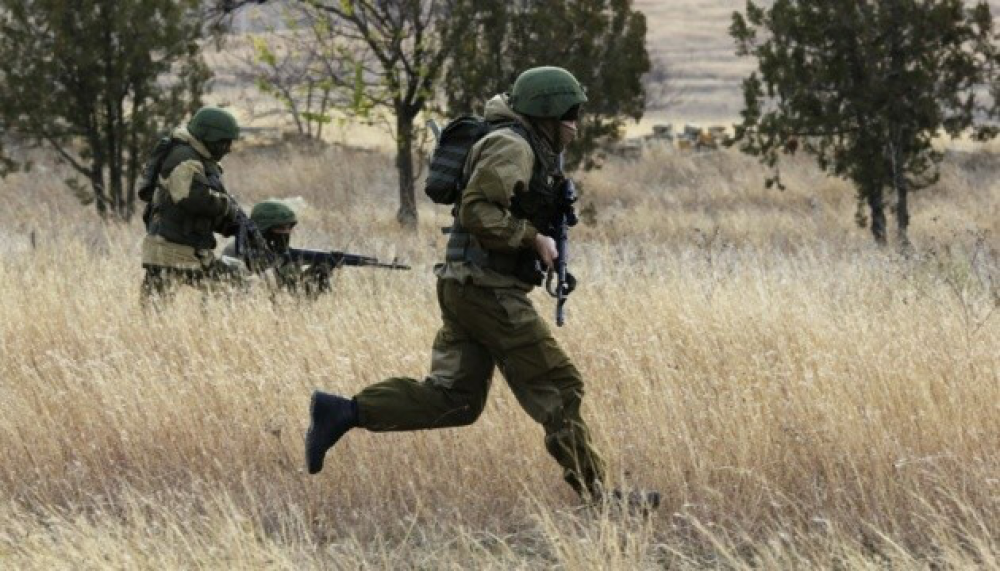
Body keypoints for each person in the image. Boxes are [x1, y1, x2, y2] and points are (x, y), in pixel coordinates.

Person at [304, 67, 660, 508]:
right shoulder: (512, 146)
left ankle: (342, 411)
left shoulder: (527, 145)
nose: (575, 124)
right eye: (569, 114)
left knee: (455, 400)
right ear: (546, 113)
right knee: (560, 385)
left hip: (469, 286)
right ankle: (599, 496)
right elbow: (477, 211)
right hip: (487, 289)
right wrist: (532, 238)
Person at [140, 106, 243, 302]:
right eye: (224, 142)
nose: (228, 148)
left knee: (229, 287)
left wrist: (230, 223)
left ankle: (207, 321)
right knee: (155, 309)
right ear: (209, 137)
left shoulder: (196, 157)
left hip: (182, 250)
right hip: (171, 252)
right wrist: (227, 206)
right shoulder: (184, 157)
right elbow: (194, 198)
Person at [221, 200, 333, 296]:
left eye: (289, 227)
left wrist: (312, 276)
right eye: (281, 228)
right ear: (264, 229)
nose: (286, 232)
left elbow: (296, 294)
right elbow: (242, 290)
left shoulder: (279, 253)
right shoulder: (237, 251)